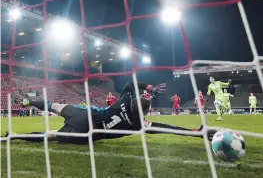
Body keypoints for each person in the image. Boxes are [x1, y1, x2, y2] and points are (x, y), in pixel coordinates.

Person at [4, 82, 216, 144]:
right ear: (146, 113)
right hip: (88, 133)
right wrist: (196, 132)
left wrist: (148, 88)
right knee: (48, 137)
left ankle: (28, 100)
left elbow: (130, 84)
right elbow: (169, 129)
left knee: (54, 106)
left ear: (132, 101)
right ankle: (12, 137)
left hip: (85, 115)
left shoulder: (123, 100)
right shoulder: (139, 125)